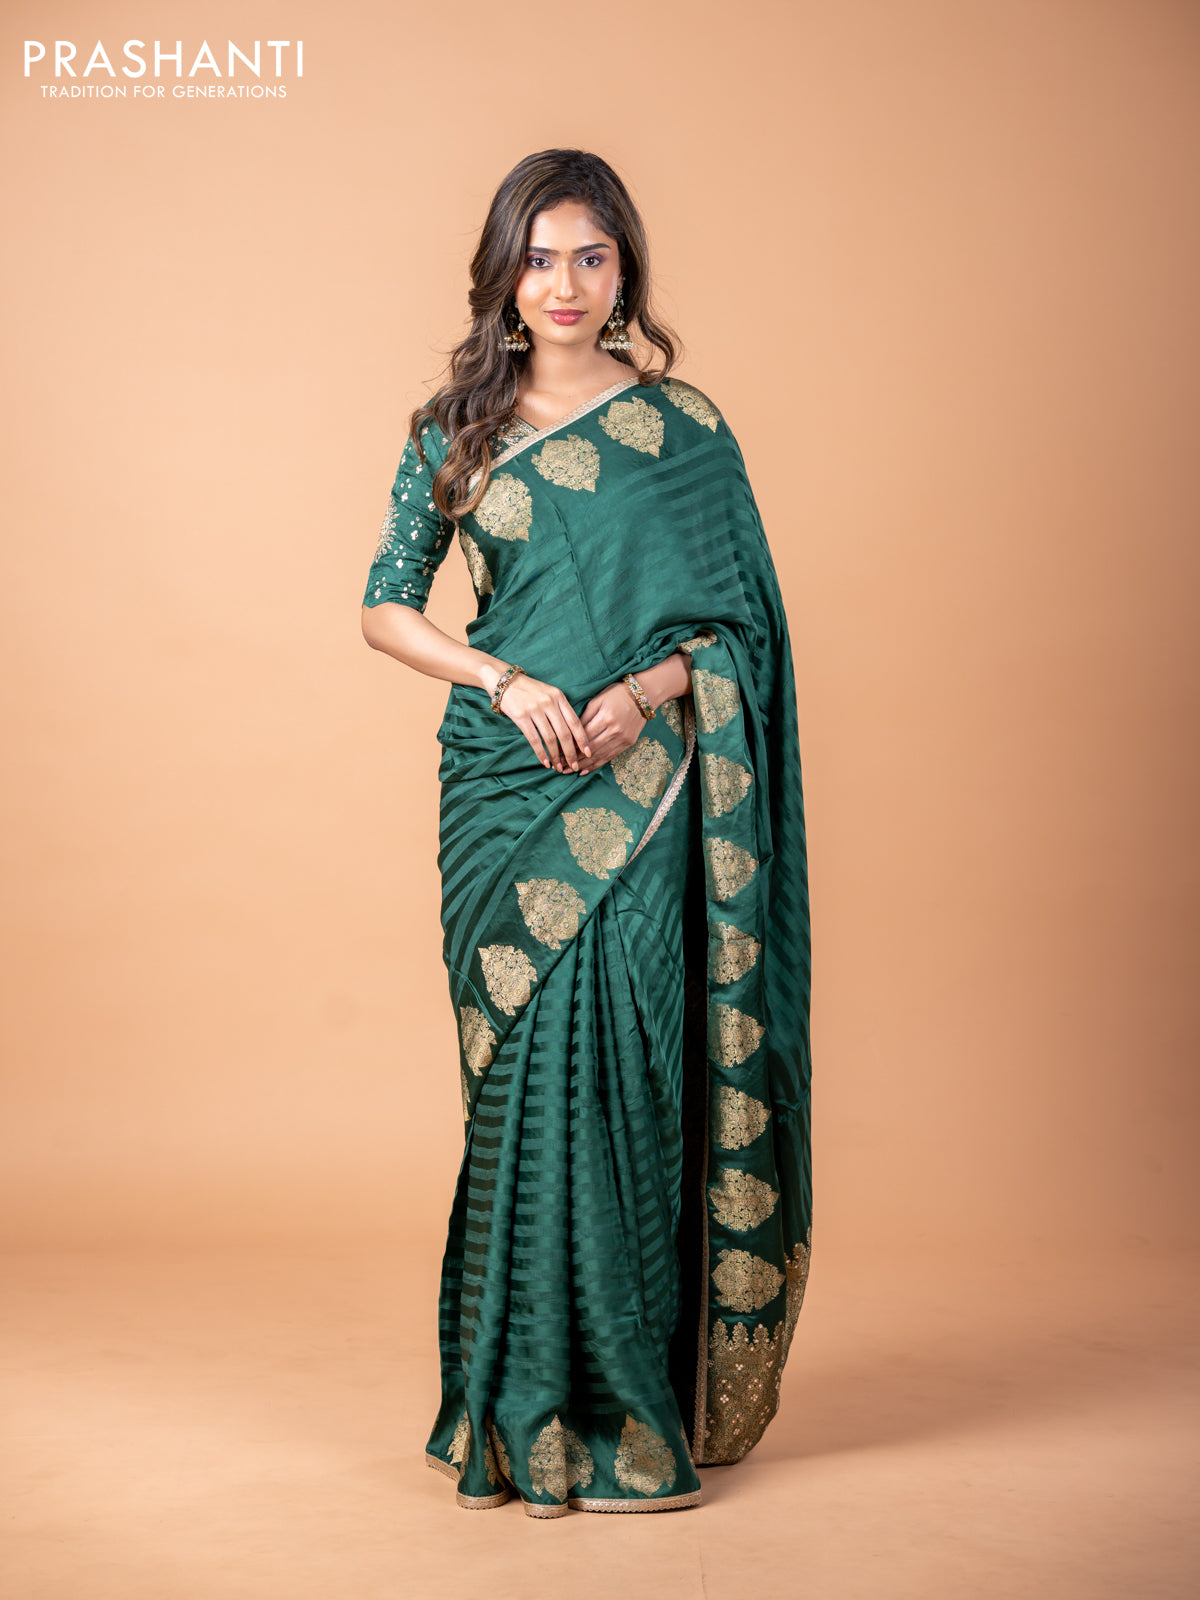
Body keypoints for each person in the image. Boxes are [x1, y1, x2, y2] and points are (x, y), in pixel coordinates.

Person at [360, 148, 813, 1517]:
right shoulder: (452, 432)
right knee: (518, 1096)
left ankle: (624, 1412)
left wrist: (650, 690)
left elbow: (745, 627)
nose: (565, 283)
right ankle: (514, 1414)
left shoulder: (684, 430)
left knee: (627, 1072)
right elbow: (385, 605)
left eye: (592, 256)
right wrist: (505, 681)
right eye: (542, 257)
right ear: (504, 272)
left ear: (626, 271)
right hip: (504, 790)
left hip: (648, 783)